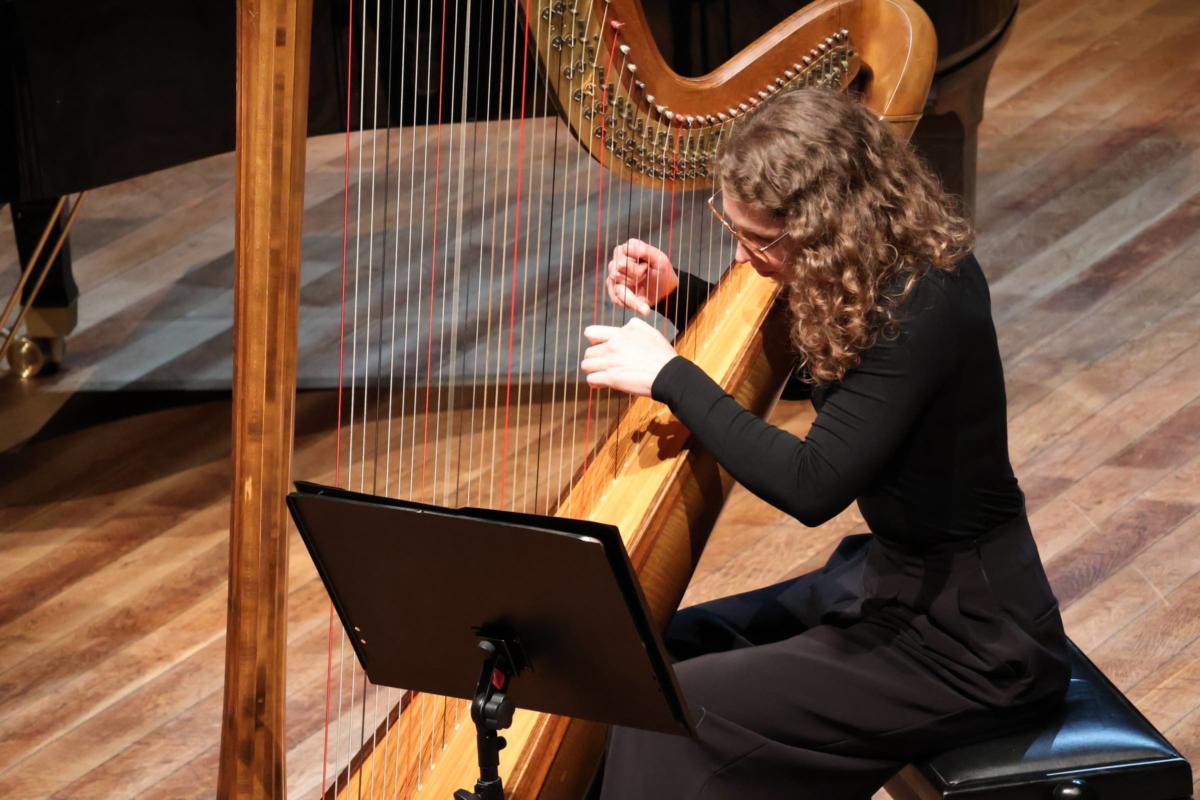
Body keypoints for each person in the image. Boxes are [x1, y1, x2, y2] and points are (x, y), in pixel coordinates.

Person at [578, 88, 1071, 799]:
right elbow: (823, 378)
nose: (744, 256)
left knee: (677, 708)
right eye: (733, 229)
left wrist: (670, 376)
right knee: (652, 652)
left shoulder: (923, 299)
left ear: (827, 225)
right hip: (889, 582)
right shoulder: (873, 270)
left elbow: (812, 485)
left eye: (758, 241)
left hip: (969, 642)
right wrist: (679, 295)